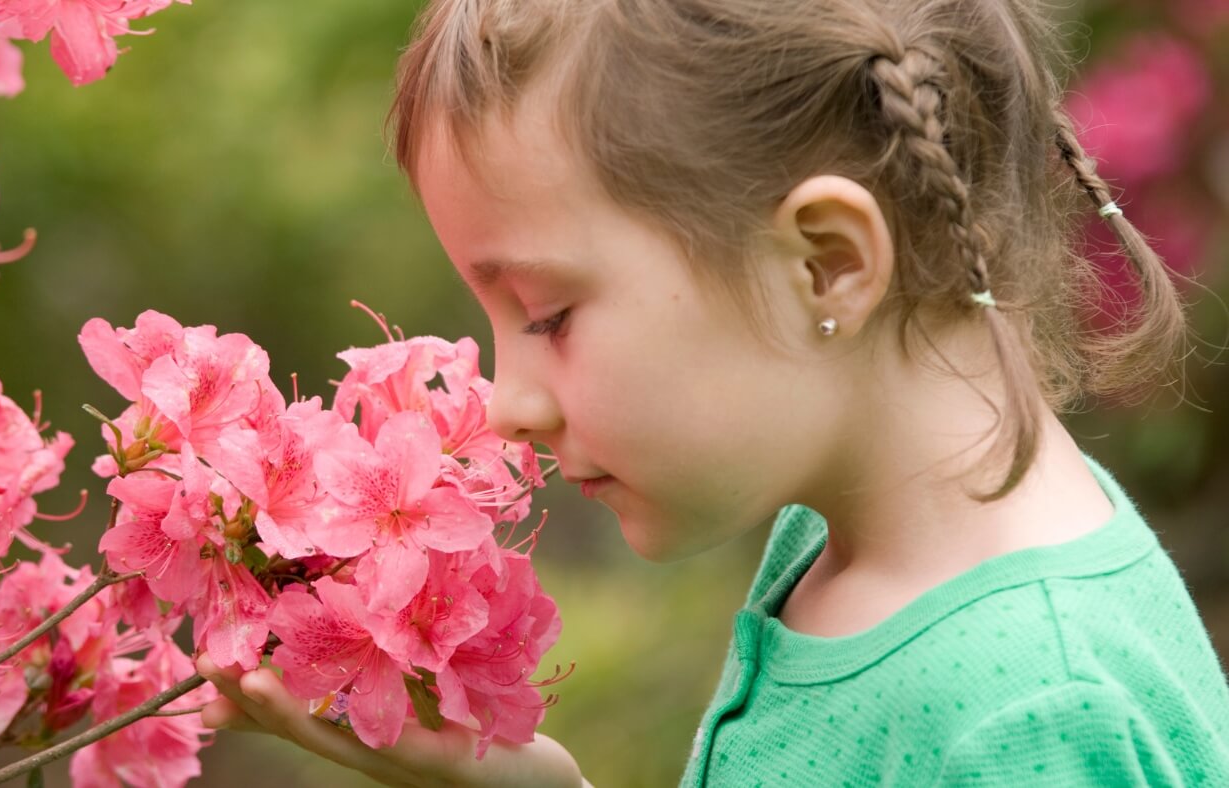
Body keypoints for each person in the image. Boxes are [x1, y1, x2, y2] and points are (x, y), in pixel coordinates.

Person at [196, 0, 1229, 784]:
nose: (507, 401)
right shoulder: (839, 549)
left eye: (548, 314)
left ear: (825, 263)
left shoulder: (1029, 712)